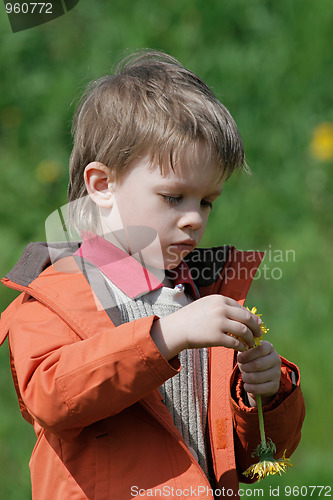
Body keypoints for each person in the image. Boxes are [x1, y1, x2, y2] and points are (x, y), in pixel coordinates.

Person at [0, 51, 305, 500]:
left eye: (206, 201)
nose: (194, 220)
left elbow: (254, 464)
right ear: (102, 186)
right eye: (173, 197)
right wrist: (163, 338)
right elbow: (51, 397)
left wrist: (267, 394)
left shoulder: (198, 295)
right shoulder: (53, 295)